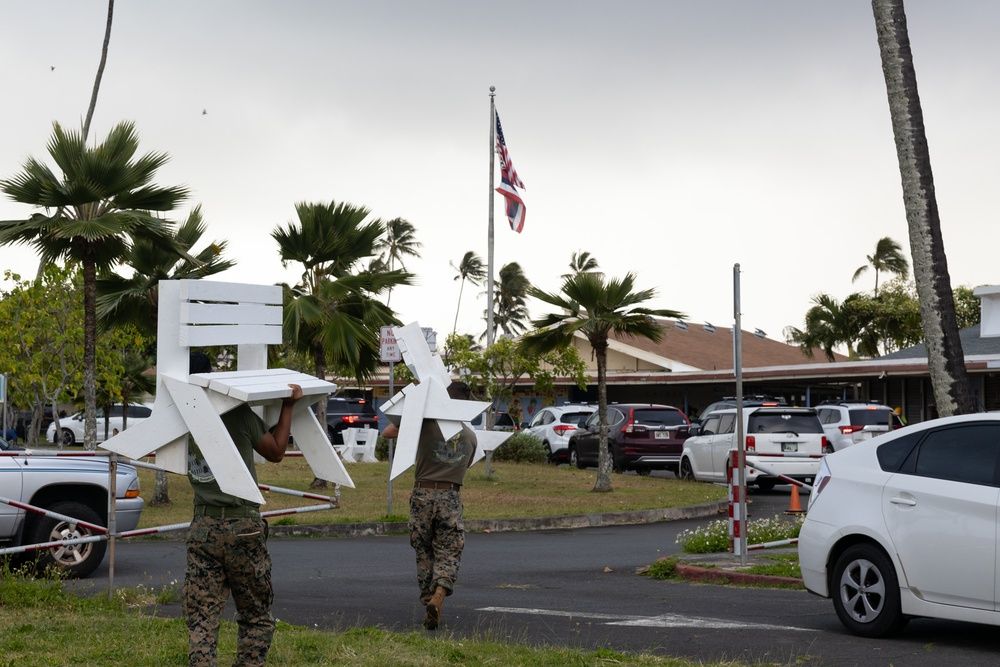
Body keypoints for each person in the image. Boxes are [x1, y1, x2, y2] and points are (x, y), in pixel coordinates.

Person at [183, 351, 303, 667]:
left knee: (202, 616)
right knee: (254, 614)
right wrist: (287, 407)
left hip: (203, 525)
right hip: (242, 527)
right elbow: (276, 452)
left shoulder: (181, 415)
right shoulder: (238, 413)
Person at [382, 380, 477, 631]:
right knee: (449, 550)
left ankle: (427, 599)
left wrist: (416, 409)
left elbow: (388, 433)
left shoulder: (424, 425)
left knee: (423, 549)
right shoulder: (471, 437)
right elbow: (465, 467)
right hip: (451, 495)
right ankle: (440, 594)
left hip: (422, 493)